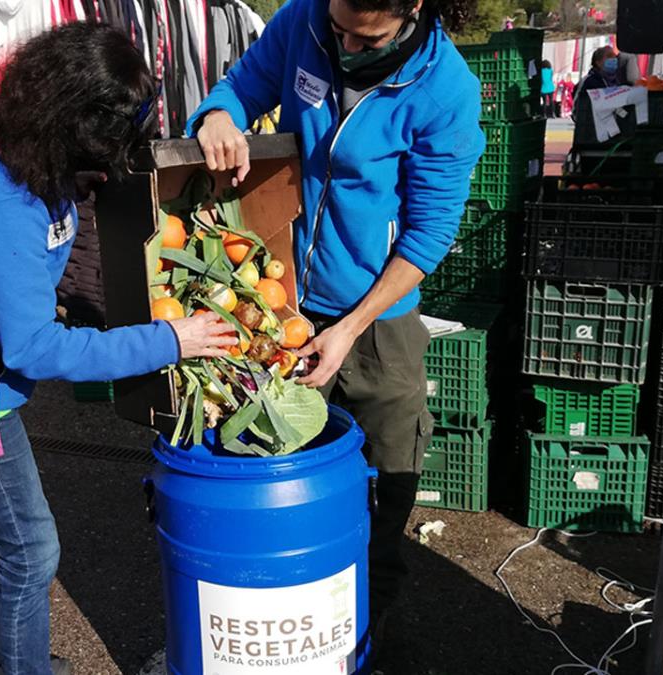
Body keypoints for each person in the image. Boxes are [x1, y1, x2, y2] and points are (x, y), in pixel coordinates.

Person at [0, 24, 235, 675]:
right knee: (31, 549)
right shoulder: (1, 205)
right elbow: (37, 347)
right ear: (71, 124)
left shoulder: (7, 136)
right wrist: (169, 339)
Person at [188, 0, 484, 660]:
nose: (343, 43)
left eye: (362, 36)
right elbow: (243, 85)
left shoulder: (446, 90)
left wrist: (351, 327)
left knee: (387, 479)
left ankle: (364, 632)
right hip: (281, 303)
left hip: (376, 321)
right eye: (337, 26)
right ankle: (280, 618)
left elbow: (429, 234)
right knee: (273, 465)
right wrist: (217, 116)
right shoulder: (304, 21)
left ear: (412, 8)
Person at [572, 45, 620, 129]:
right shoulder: (589, 82)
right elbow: (579, 108)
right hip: (591, 130)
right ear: (598, 62)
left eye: (615, 56)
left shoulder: (617, 81)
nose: (613, 59)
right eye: (609, 56)